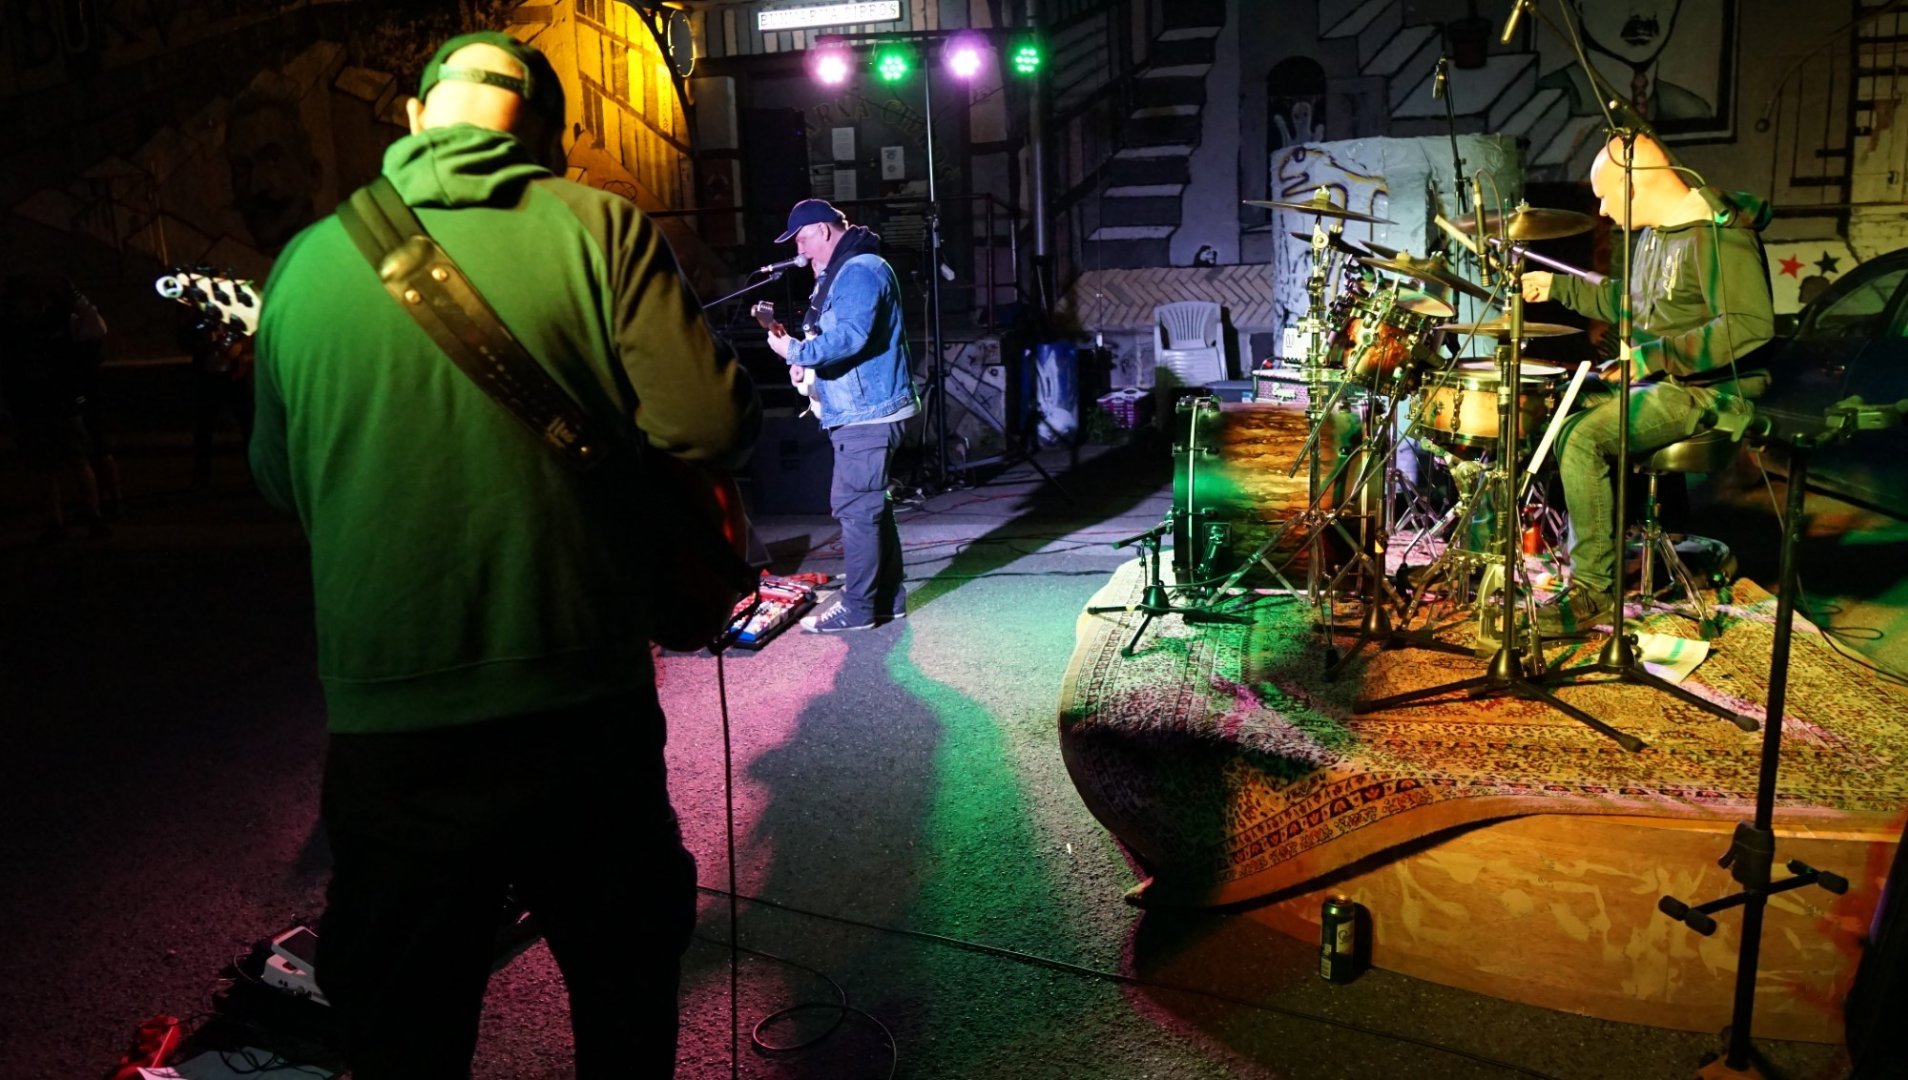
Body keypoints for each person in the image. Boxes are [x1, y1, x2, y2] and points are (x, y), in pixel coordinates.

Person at [249, 31, 758, 1078]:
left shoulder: (305, 263)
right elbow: (708, 425)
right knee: (622, 997)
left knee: (405, 1032)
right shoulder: (599, 226)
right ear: (550, 135)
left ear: (415, 119)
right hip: (580, 708)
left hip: (393, 728)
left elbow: (281, 481)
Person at [1521, 132, 1773, 635]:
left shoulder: (1719, 235)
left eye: (1606, 196)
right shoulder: (1657, 235)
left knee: (1585, 438)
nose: (1602, 210)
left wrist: (1654, 357)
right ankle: (1588, 545)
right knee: (1549, 406)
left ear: (1634, 183)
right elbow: (1633, 302)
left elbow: (1748, 324)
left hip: (1707, 391)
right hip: (1662, 380)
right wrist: (1559, 287)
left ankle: (1594, 589)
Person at [764, 198, 916, 632]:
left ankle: (859, 609)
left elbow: (851, 336)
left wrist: (796, 350)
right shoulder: (844, 271)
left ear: (824, 230)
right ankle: (888, 597)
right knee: (870, 506)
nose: (799, 248)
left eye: (802, 238)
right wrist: (806, 363)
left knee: (855, 508)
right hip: (864, 409)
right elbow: (838, 337)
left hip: (868, 413)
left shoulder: (860, 270)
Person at [1, 272, 107, 542]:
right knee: (45, 466)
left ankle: (93, 517)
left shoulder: (60, 322)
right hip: (32, 406)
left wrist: (77, 298)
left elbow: (96, 329)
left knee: (76, 460)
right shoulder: (13, 332)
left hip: (61, 402)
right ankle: (57, 522)